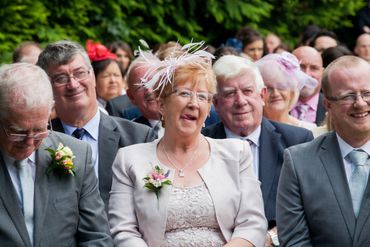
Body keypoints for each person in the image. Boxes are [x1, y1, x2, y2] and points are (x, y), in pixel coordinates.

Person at [109, 43, 267, 247]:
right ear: (162, 104)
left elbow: (253, 224)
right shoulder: (129, 159)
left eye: (202, 96)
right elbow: (123, 230)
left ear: (209, 108)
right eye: (184, 93)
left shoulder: (236, 153)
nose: (194, 103)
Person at [202, 55, 314, 247]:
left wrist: (271, 238)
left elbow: (311, 209)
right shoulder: (201, 143)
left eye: (247, 91)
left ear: (262, 96)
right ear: (216, 103)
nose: (240, 101)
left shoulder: (297, 141)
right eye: (229, 94)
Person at [0, 63, 113, 246]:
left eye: (39, 130)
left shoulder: (78, 154)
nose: (29, 141)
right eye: (18, 132)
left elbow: (97, 236)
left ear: (50, 110)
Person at [37, 40, 156, 211]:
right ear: (47, 87)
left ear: (92, 76)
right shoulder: (40, 142)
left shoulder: (138, 137)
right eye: (61, 78)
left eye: (79, 73)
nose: (73, 84)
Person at [276, 55, 370, 246]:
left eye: (367, 93)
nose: (360, 103)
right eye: (348, 96)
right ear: (327, 104)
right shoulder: (299, 162)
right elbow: (295, 241)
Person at [256, 52, 318, 131]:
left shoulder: (309, 130)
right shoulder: (251, 130)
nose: (275, 93)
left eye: (281, 86)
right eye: (268, 88)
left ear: (292, 92)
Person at [291, 46, 326, 126]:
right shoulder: (275, 105)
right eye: (301, 67)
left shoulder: (332, 108)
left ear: (322, 73)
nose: (307, 74)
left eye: (314, 68)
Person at [86, 40, 124, 112]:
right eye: (106, 76)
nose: (113, 80)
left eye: (116, 75)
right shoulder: (90, 111)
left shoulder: (134, 103)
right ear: (94, 80)